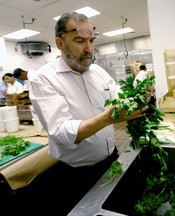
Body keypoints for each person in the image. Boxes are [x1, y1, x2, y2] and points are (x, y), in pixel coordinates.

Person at [16, 12, 145, 215]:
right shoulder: (44, 79)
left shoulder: (99, 72)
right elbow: (61, 132)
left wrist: (138, 95)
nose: (89, 49)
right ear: (60, 43)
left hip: (111, 160)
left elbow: (120, 95)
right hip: (74, 174)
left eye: (92, 40)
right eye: (80, 41)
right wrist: (107, 118)